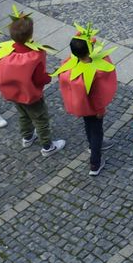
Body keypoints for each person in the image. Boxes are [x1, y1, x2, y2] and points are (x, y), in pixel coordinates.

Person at [0, 8, 65, 156]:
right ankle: (47, 146)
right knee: (41, 119)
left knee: (23, 115)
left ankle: (27, 137)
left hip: (13, 93)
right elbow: (39, 78)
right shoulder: (34, 55)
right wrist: (48, 78)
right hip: (31, 95)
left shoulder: (4, 50)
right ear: (30, 34)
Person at [54, 23, 118, 176]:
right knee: (96, 130)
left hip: (81, 106)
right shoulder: (94, 71)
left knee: (88, 125)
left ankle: (93, 145)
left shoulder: (69, 65)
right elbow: (97, 95)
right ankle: (95, 163)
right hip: (93, 108)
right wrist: (100, 110)